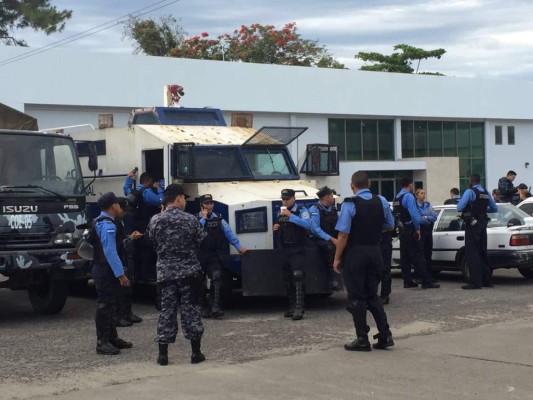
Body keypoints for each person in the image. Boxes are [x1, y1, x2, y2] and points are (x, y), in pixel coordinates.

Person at [333, 171, 395, 351]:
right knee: (372, 295)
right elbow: (389, 225)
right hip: (375, 251)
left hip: (355, 253)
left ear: (352, 186)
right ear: (369, 184)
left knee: (357, 297)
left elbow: (343, 234)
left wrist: (337, 258)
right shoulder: (381, 201)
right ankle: (385, 335)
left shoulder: (350, 204)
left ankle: (362, 339)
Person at [146, 184, 207, 365]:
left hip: (165, 274)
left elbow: (151, 240)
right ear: (179, 198)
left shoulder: (156, 220)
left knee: (167, 312)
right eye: (184, 199)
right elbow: (201, 240)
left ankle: (163, 355)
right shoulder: (190, 220)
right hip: (189, 273)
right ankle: (195, 353)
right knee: (191, 311)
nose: (185, 203)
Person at [92, 192, 132, 355]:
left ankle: (112, 337)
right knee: (105, 305)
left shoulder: (98, 220)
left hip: (102, 267)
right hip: (105, 269)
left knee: (111, 303)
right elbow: (110, 251)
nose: (118, 206)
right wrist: (120, 274)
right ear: (112, 206)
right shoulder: (108, 225)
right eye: (116, 203)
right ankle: (102, 342)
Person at [197, 194, 246, 319]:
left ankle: (215, 306)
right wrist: (203, 219)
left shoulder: (219, 219)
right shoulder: (195, 219)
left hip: (214, 254)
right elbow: (195, 232)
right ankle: (202, 306)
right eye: (207, 203)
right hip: (200, 255)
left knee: (217, 276)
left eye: (211, 203)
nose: (209, 206)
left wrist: (239, 246)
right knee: (199, 280)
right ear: (201, 205)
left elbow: (229, 233)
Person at [393, 177, 440, 289]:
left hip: (402, 228)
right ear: (409, 185)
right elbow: (414, 215)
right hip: (410, 228)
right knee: (419, 255)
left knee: (405, 256)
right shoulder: (408, 196)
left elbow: (395, 213)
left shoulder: (397, 197)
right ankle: (426, 281)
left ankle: (407, 280)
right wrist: (417, 228)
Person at [273, 188, 312, 321]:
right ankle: (291, 306)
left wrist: (291, 216)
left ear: (294, 198)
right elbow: (281, 226)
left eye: (287, 199)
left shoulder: (301, 210)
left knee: (298, 276)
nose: (285, 201)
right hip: (285, 249)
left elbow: (308, 224)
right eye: (283, 199)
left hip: (297, 248)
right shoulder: (280, 212)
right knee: (287, 278)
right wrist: (276, 227)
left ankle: (299, 308)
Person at [457, 174, 498, 289]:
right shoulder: (486, 192)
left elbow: (459, 208)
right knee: (482, 251)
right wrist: (483, 211)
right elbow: (495, 208)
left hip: (472, 224)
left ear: (470, 181)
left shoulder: (470, 192)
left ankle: (475, 282)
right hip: (483, 223)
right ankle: (487, 280)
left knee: (472, 252)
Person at [123, 169, 164, 282]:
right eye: (152, 182)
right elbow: (160, 201)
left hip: (135, 225)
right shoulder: (147, 192)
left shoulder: (134, 191)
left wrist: (129, 179)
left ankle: (137, 275)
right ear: (149, 181)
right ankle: (146, 276)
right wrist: (159, 189)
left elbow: (126, 189)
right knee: (146, 251)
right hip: (146, 225)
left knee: (137, 250)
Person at [114, 197, 143, 327]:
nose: (125, 213)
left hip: (126, 255)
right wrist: (130, 238)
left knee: (128, 285)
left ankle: (127, 312)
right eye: (123, 210)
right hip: (119, 257)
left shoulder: (121, 221)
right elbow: (116, 244)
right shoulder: (112, 223)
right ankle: (118, 315)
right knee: (119, 288)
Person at [308, 186, 342, 291]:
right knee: (329, 248)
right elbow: (315, 230)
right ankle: (333, 279)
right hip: (319, 239)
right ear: (326, 197)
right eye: (331, 196)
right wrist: (331, 239)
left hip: (334, 238)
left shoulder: (333, 209)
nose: (333, 198)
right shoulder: (314, 209)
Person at [415, 188, 438, 280]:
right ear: (417, 195)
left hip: (428, 230)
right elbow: (418, 219)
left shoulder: (427, 205)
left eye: (424, 193)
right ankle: (420, 276)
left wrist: (425, 217)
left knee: (428, 253)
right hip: (420, 230)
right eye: (421, 193)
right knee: (420, 254)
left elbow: (435, 217)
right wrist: (427, 218)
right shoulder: (415, 206)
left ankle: (429, 276)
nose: (424, 195)